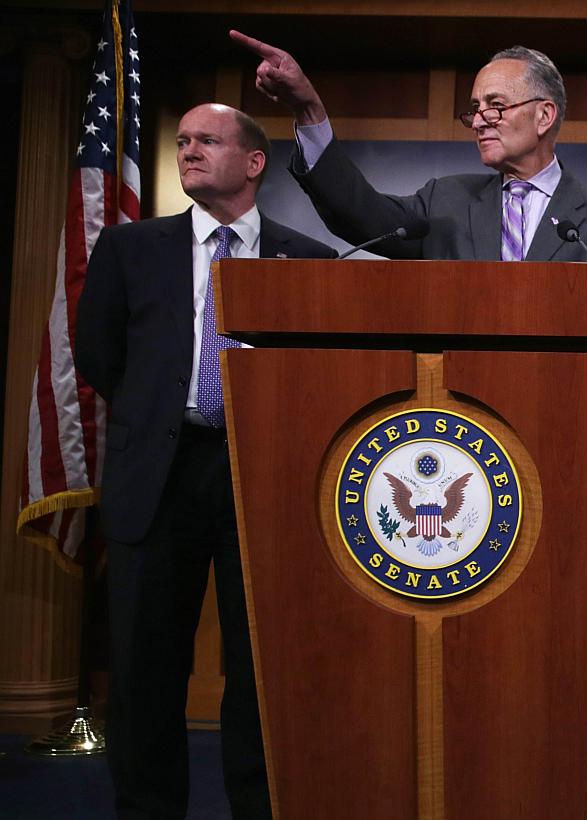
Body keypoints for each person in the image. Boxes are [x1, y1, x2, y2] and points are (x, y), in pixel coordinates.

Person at [76, 103, 337, 819]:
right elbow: (98, 352)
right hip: (157, 475)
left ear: (254, 162)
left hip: (261, 478)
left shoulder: (304, 260)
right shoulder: (132, 249)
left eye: (208, 141)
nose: (189, 151)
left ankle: (257, 805)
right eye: (184, 141)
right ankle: (148, 809)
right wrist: (158, 412)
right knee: (145, 666)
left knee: (259, 667)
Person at [229, 31, 587, 264]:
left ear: (544, 116)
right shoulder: (444, 202)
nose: (480, 119)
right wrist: (309, 109)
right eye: (474, 108)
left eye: (496, 106)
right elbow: (360, 215)